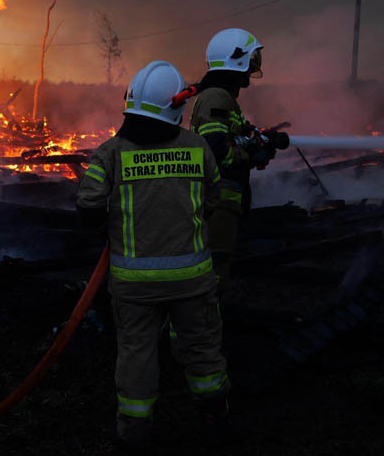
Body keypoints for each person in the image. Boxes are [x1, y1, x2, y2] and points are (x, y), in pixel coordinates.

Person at [76, 61, 231, 451]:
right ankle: (215, 414)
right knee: (201, 346)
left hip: (133, 285)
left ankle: (134, 432)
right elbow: (214, 199)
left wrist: (109, 229)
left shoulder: (111, 152)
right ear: (174, 106)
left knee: (136, 353)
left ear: (131, 104)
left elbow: (89, 205)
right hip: (193, 279)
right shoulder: (197, 147)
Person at [189, 28, 282, 288]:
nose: (251, 72)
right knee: (211, 279)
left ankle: (201, 324)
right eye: (250, 62)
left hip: (223, 203)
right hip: (216, 204)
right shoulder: (216, 97)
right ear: (237, 60)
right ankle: (200, 328)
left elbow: (234, 136)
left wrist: (258, 140)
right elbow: (214, 149)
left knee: (215, 272)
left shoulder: (225, 98)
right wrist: (250, 154)